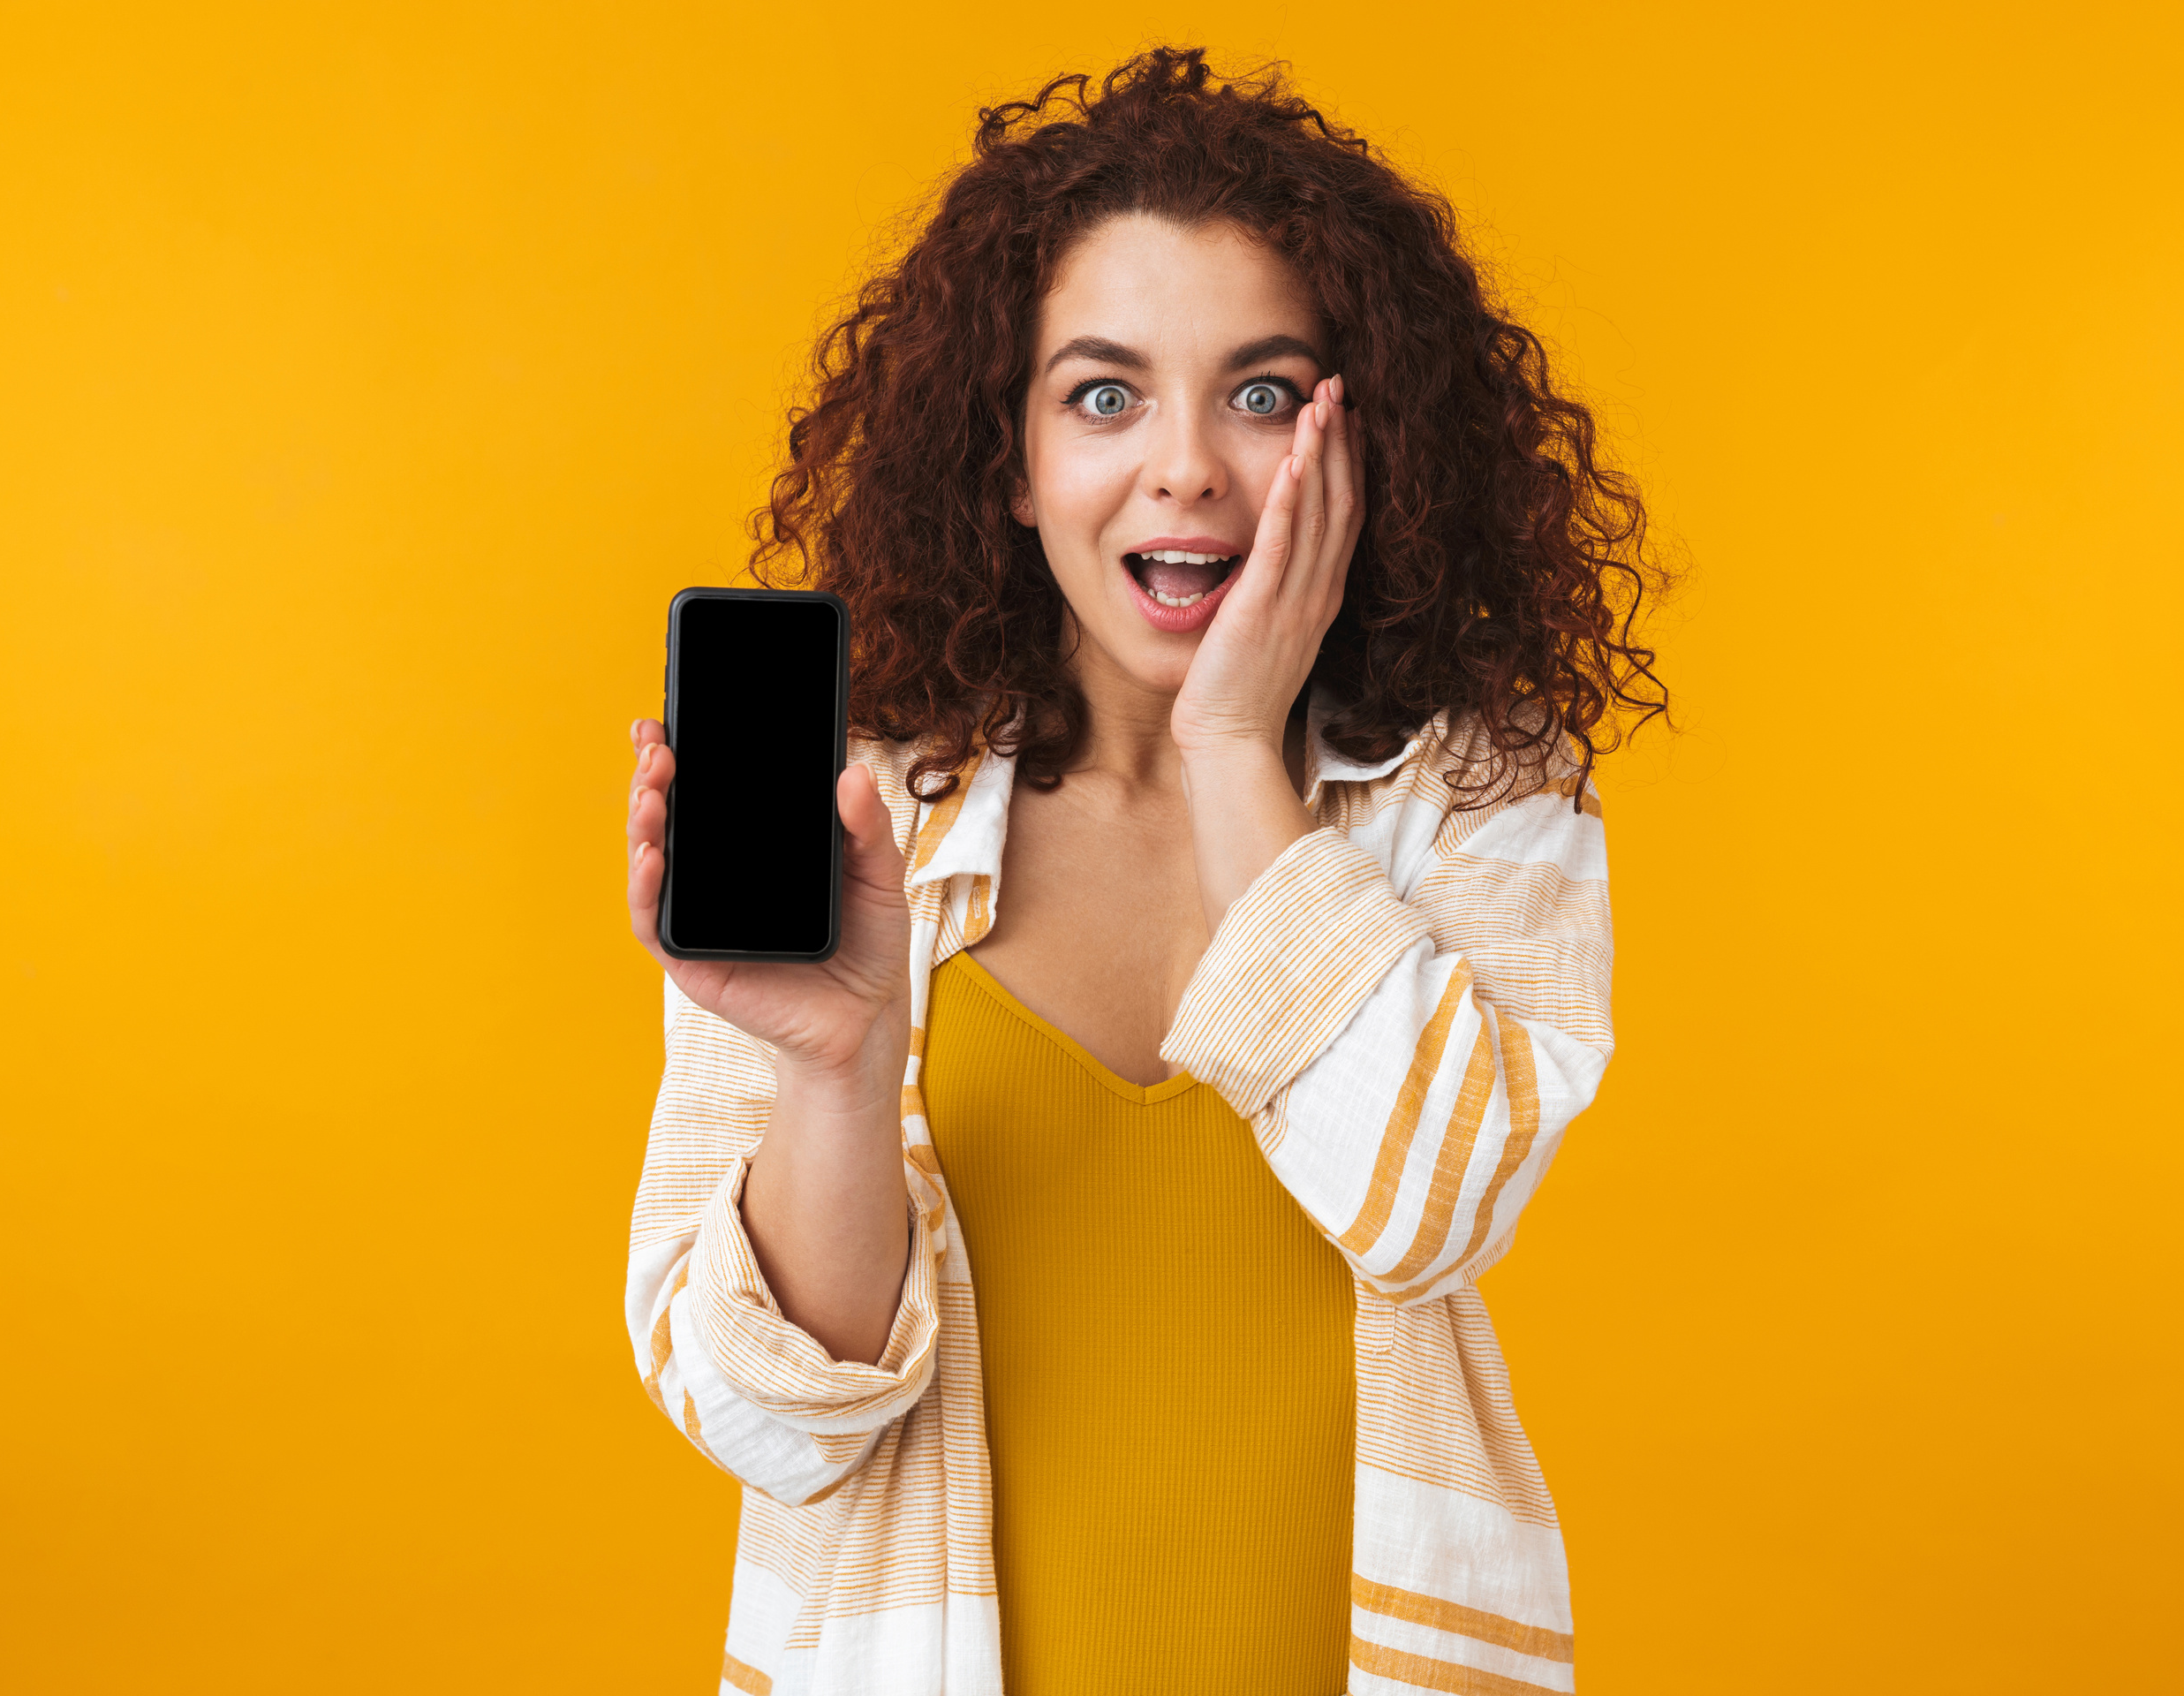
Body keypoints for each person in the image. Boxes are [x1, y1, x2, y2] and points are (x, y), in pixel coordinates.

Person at [620, 47, 1659, 1696]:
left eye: (1262, 394)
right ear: (1014, 468)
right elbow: (768, 1421)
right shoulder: (868, 824)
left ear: (1366, 442)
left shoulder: (1471, 792)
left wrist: (1238, 746)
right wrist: (835, 1060)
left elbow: (1433, 1207)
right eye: (1106, 395)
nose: (1187, 467)